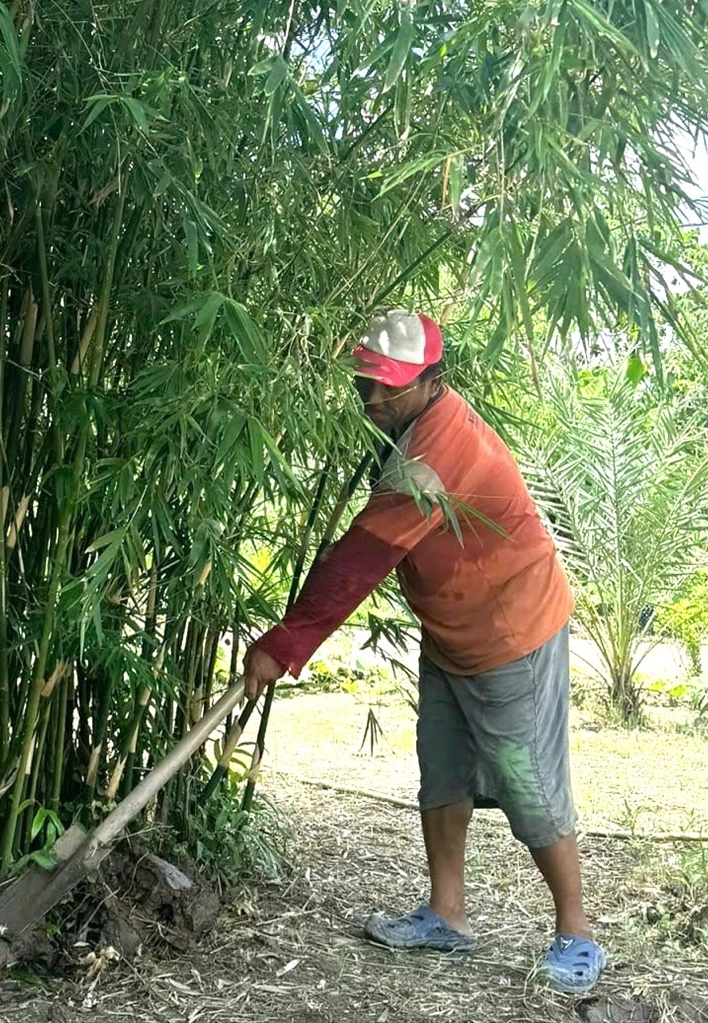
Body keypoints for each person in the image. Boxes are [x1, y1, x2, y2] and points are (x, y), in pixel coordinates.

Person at [242, 308, 605, 993]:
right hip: (450, 627)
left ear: (432, 381)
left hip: (510, 631)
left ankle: (577, 934)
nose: (375, 399)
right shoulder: (402, 426)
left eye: (392, 387)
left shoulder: (436, 454)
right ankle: (447, 915)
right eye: (366, 384)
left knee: (528, 785)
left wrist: (285, 644)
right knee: (441, 771)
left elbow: (362, 558)